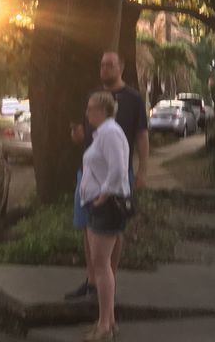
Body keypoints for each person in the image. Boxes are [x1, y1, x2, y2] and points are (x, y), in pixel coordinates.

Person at [67, 51, 149, 301]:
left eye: (110, 64)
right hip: (90, 173)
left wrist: (143, 169)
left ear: (121, 67)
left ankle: (107, 280)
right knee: (86, 225)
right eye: (102, 64)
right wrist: (77, 135)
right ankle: (93, 281)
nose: (105, 68)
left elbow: (142, 135)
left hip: (116, 174)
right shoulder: (94, 98)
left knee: (113, 227)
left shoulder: (133, 98)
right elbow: (86, 133)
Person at [78, 91, 132, 342]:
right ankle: (108, 321)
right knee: (103, 266)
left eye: (90, 108)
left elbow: (119, 168)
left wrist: (103, 195)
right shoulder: (105, 133)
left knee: (101, 266)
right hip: (100, 205)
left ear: (102, 110)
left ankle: (104, 326)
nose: (87, 113)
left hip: (106, 206)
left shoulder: (110, 132)